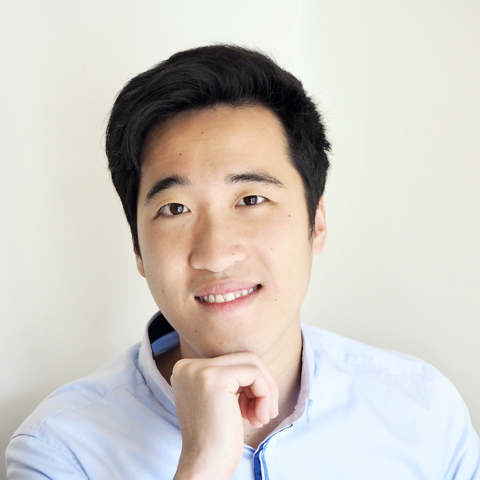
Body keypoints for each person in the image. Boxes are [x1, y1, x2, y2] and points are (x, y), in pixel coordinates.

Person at [6, 45, 480, 479]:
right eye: (175, 209)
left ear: (316, 223)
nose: (215, 254)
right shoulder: (60, 450)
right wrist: (203, 463)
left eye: (251, 199)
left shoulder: (423, 411)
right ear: (138, 250)